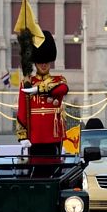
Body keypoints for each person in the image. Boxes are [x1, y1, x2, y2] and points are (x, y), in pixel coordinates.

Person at [16, 30, 68, 163]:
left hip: (53, 133)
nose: (43, 65)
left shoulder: (59, 80)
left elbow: (62, 89)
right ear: (35, 63)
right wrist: (22, 136)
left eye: (46, 62)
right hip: (35, 134)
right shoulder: (26, 83)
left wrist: (39, 90)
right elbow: (22, 110)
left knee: (55, 167)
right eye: (40, 62)